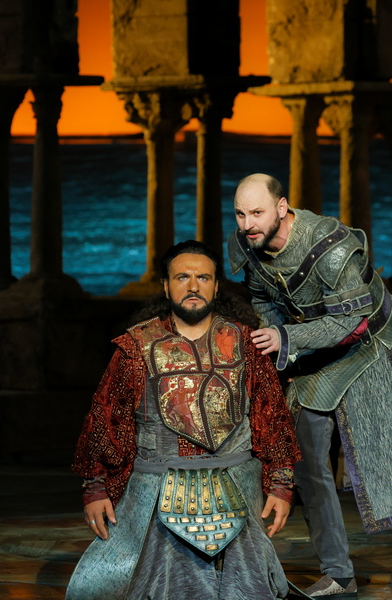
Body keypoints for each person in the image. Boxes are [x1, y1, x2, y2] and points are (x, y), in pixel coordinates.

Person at [227, 173, 392, 600]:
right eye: (240, 214)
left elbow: (351, 322)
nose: (248, 224)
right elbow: (263, 298)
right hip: (314, 350)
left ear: (282, 208)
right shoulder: (249, 246)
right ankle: (338, 574)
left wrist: (287, 339)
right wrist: (275, 338)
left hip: (367, 345)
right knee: (306, 458)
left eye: (257, 213)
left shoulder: (330, 244)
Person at [66, 240, 306, 600]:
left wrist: (281, 484)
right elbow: (108, 418)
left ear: (216, 286)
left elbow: (271, 418)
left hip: (235, 486)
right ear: (166, 286)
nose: (193, 286)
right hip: (156, 488)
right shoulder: (136, 347)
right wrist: (96, 488)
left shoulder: (247, 344)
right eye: (182, 277)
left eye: (203, 278)